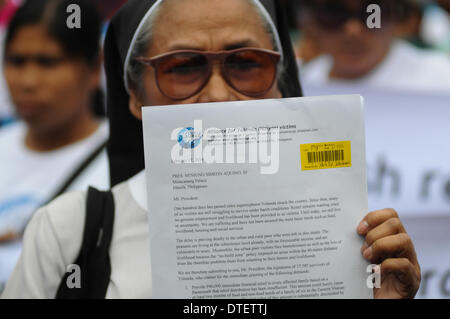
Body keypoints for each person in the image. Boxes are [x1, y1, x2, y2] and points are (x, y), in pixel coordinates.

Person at [2, 0, 420, 299]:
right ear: (134, 95)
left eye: (246, 63)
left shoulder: (349, 231)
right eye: (183, 67)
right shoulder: (69, 231)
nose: (218, 96)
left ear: (280, 83)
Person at [0, 0, 110, 289]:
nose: (28, 81)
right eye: (16, 61)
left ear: (94, 66)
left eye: (48, 62)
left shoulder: (126, 160)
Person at [299, 0, 450, 94]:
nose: (353, 29)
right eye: (334, 13)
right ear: (309, 21)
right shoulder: (300, 84)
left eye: (372, 14)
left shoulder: (440, 80)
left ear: (397, 17)